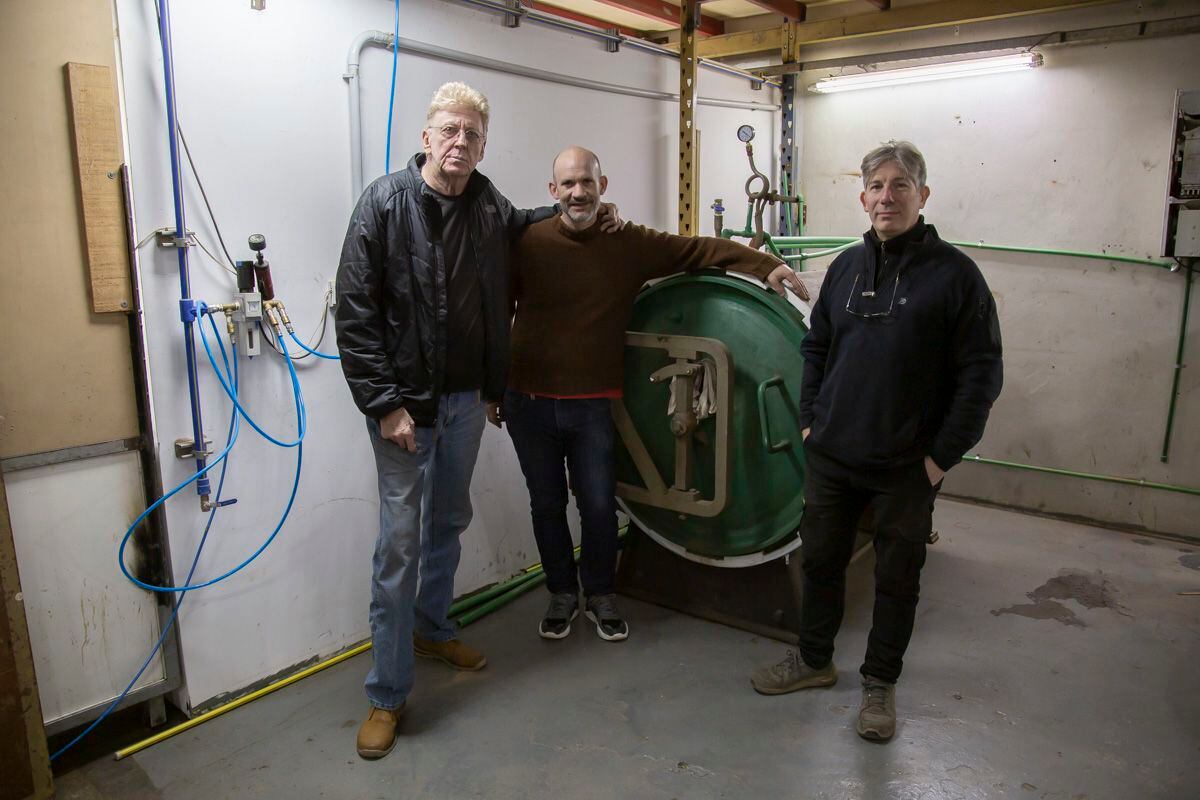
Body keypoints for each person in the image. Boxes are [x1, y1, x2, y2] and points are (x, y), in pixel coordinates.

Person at [335, 85, 619, 760]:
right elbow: (355, 312)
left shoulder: (489, 206)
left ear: (483, 145)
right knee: (398, 546)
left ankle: (433, 626)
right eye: (450, 131)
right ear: (428, 138)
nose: (460, 142)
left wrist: (581, 207)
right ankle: (387, 694)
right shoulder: (383, 203)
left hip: (465, 403)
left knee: (447, 523)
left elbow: (529, 222)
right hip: (406, 410)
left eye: (473, 134)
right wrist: (385, 405)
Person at [498, 146, 809, 643]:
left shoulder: (629, 243)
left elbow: (695, 250)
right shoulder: (527, 241)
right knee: (546, 504)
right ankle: (561, 593)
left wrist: (760, 264)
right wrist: (493, 390)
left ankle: (600, 594)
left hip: (593, 404)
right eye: (568, 184)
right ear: (552, 191)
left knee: (600, 505)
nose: (579, 192)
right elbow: (496, 310)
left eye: (588, 182)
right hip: (527, 401)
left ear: (603, 186)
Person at [750, 140, 1003, 742]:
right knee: (821, 563)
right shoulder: (844, 268)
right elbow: (815, 349)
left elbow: (982, 375)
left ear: (922, 195)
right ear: (863, 197)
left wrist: (939, 459)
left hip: (906, 467)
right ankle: (814, 661)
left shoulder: (956, 276)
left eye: (900, 185)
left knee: (897, 577)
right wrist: (811, 422)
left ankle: (879, 684)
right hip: (834, 456)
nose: (887, 197)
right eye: (876, 187)